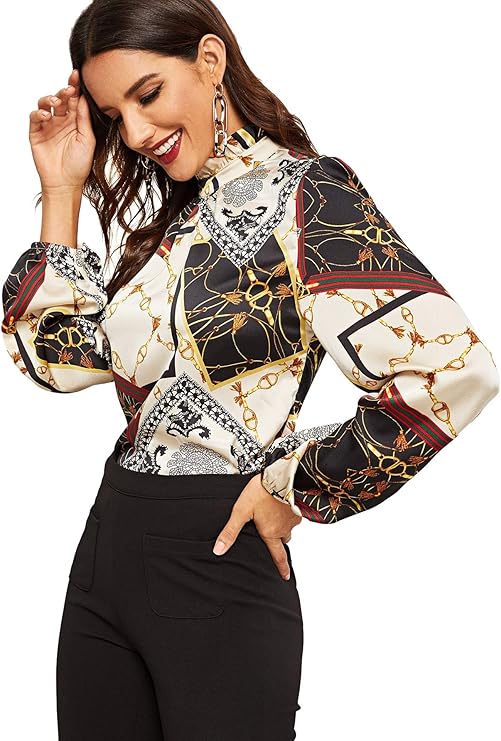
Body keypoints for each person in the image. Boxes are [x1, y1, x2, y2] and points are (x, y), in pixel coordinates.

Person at [1, 0, 498, 739]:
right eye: (114, 117)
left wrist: (293, 485)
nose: (134, 134)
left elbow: (452, 369)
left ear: (210, 61)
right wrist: (62, 190)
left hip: (219, 555)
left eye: (147, 95)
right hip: (108, 551)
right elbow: (56, 359)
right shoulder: (168, 230)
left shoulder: (309, 195)